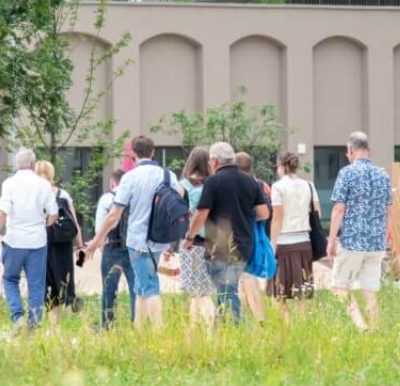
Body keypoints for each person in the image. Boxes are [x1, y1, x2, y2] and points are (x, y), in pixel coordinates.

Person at [89, 135, 179, 330]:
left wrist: (96, 241)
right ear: (153, 152)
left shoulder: (130, 177)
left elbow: (114, 216)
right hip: (160, 238)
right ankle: (138, 330)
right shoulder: (168, 175)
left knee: (149, 286)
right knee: (139, 285)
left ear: (133, 154)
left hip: (138, 240)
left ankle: (158, 332)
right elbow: (177, 206)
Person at [185, 141, 270, 324]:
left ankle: (247, 332)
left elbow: (201, 214)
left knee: (227, 293)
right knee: (226, 290)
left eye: (210, 162)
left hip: (220, 247)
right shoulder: (250, 180)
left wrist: (189, 237)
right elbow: (264, 213)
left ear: (214, 161)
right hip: (245, 246)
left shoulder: (213, 181)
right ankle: (220, 332)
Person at [0, 148, 58, 333]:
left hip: (14, 241)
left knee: (9, 279)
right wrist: (42, 225)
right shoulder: (43, 184)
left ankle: (18, 317)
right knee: (36, 284)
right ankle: (34, 325)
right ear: (33, 164)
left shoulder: (9, 184)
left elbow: (2, 213)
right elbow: (53, 214)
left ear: (17, 165)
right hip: (37, 243)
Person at [327, 131, 395, 332]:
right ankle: (374, 329)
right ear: (369, 150)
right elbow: (389, 211)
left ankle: (361, 326)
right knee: (370, 290)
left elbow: (339, 209)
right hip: (376, 243)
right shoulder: (383, 175)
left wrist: (331, 239)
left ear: (350, 150)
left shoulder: (347, 173)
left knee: (340, 286)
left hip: (352, 240)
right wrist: (384, 238)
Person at [36, 159, 84, 326]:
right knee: (66, 284)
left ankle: (53, 327)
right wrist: (80, 246)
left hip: (42, 245)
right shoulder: (62, 195)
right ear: (52, 174)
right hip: (63, 246)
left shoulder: (34, 194)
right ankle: (77, 311)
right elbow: (75, 224)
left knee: (49, 287)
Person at [268, 151, 315, 313]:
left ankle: (287, 326)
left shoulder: (278, 187)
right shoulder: (309, 185)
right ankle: (301, 328)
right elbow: (317, 213)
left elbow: (277, 218)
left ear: (281, 166)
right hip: (304, 242)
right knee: (303, 292)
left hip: (284, 243)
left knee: (278, 293)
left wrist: (272, 247)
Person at [173, 146, 215, 325]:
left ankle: (203, 327)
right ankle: (199, 328)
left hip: (191, 242)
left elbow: (176, 213)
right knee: (205, 289)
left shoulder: (183, 185)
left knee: (196, 291)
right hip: (214, 241)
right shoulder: (214, 183)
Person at [94, 171, 134, 328]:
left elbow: (100, 228)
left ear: (112, 182)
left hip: (112, 249)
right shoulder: (133, 199)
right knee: (136, 289)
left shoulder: (106, 199)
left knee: (109, 290)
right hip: (132, 249)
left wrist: (101, 246)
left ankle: (107, 324)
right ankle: (137, 323)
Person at [234, 151, 270, 322]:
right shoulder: (262, 184)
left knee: (248, 277)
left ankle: (259, 317)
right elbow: (266, 213)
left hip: (244, 234)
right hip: (257, 233)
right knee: (245, 277)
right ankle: (247, 313)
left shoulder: (238, 185)